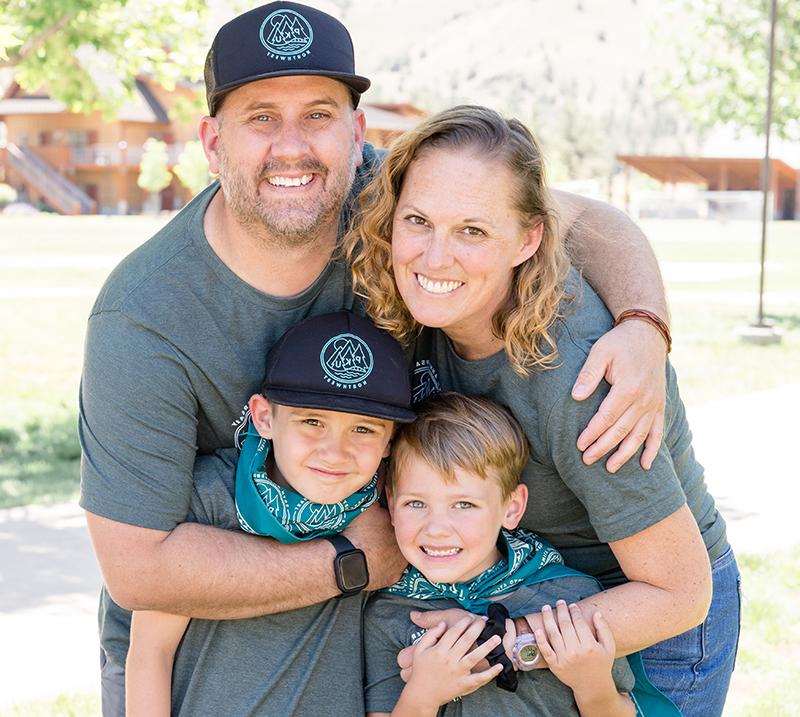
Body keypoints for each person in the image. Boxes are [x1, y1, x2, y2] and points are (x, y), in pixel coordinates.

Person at [80, 3, 676, 714]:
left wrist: (645, 326)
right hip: (212, 646)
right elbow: (137, 568)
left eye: (320, 114)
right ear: (212, 141)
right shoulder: (141, 319)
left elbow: (590, 223)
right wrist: (356, 560)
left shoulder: (403, 199)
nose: (293, 146)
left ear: (358, 132)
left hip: (551, 603)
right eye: (261, 117)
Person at [346, 105, 740, 717]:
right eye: (418, 221)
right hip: (509, 581)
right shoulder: (425, 308)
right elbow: (590, 213)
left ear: (528, 238)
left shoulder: (578, 383)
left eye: (472, 231)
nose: (435, 256)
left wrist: (491, 648)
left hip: (634, 603)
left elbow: (678, 592)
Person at [125, 310, 416, 716]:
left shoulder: (390, 517)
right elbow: (150, 651)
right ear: (264, 417)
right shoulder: (209, 499)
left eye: (363, 429)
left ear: (390, 441)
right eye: (312, 421)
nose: (335, 452)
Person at [365, 392, 681, 717]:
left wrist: (593, 685)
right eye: (416, 503)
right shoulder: (390, 616)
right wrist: (422, 696)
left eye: (464, 505)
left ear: (512, 507)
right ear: (390, 503)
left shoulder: (570, 599)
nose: (437, 529)